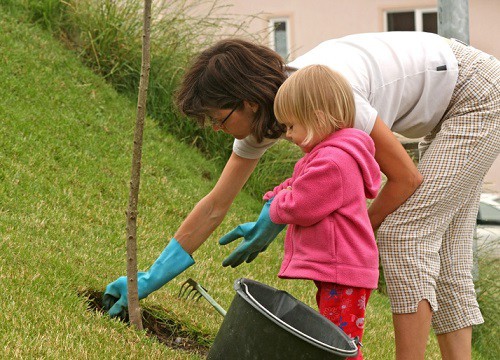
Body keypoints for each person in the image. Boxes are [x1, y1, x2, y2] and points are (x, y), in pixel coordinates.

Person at [103, 32, 500, 359]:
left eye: (218, 119)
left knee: (403, 235)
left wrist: (368, 228)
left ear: (249, 103)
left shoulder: (328, 95)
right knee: (447, 256)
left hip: (476, 95)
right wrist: (148, 279)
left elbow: (404, 178)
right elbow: (215, 205)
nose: (215, 129)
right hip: (447, 105)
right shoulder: (285, 113)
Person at [263, 64, 380, 359]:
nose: (287, 135)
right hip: (339, 269)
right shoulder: (327, 155)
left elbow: (302, 206)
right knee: (334, 337)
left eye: (291, 126)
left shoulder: (333, 161)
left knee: (338, 343)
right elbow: (299, 185)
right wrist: (280, 192)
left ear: (316, 118)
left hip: (344, 270)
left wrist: (276, 205)